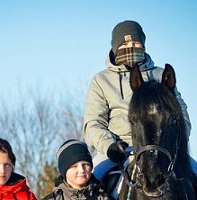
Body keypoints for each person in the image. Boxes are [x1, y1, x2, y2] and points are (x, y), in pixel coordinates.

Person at [83, 20, 194, 180]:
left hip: (164, 148)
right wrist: (109, 146)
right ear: (115, 48)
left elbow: (181, 115)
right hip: (120, 150)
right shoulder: (101, 80)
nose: (131, 47)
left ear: (143, 45)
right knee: (92, 184)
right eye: (124, 44)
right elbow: (93, 123)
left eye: (136, 43)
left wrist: (174, 143)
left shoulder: (161, 76)